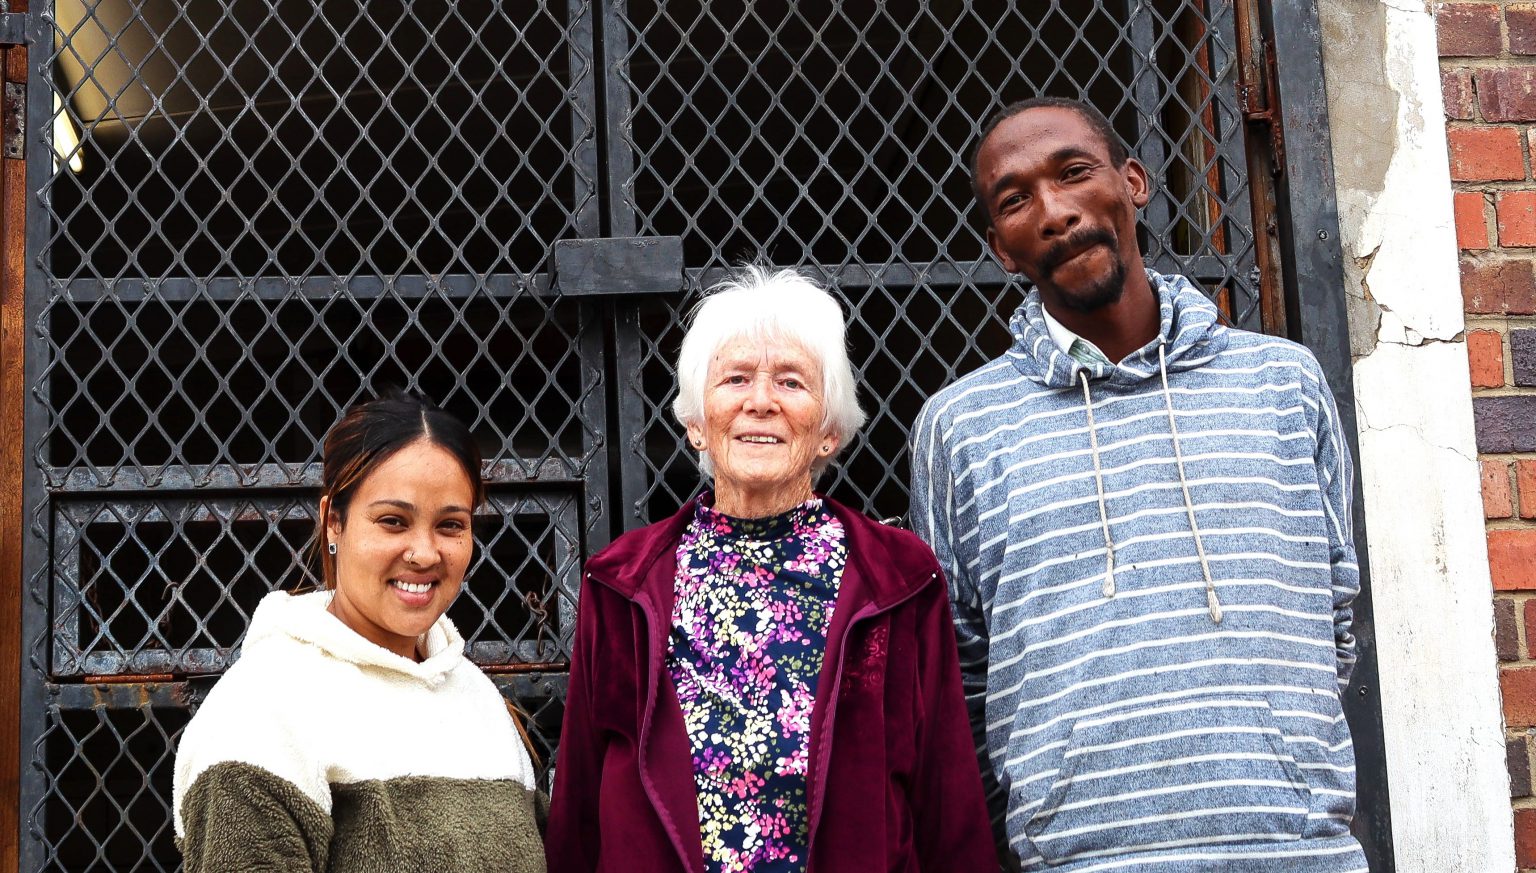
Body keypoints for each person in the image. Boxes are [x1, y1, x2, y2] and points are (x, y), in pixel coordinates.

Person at [909, 97, 1368, 872]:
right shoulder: (959, 427)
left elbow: (1334, 610)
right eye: (1016, 200)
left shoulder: (1283, 382)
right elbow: (964, 671)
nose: (1054, 212)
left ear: (1133, 182)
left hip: (1300, 853)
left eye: (1074, 173)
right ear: (1003, 248)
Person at [545, 267, 994, 872]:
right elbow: (579, 805)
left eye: (791, 381)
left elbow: (947, 793)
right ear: (697, 423)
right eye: (735, 380)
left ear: (830, 429)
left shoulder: (899, 576)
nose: (761, 401)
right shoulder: (622, 581)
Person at [173, 391, 545, 872]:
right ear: (334, 522)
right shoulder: (261, 710)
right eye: (393, 521)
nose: (425, 553)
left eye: (451, 524)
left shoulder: (479, 700)